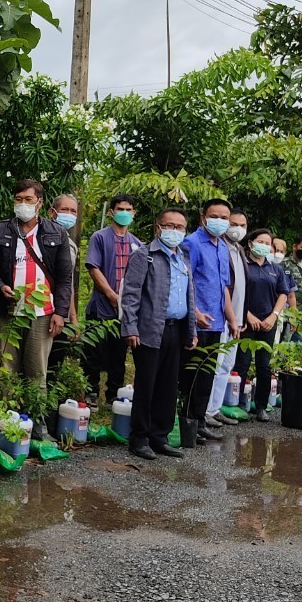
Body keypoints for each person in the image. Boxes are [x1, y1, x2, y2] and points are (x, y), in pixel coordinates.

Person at [120, 208, 198, 461]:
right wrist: (130, 327)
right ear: (158, 228)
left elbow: (189, 296)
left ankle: (160, 437)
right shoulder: (145, 256)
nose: (174, 231)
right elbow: (130, 294)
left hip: (177, 329)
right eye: (169, 225)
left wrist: (192, 329)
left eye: (180, 227)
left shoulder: (183, 259)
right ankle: (139, 438)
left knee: (168, 385)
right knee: (147, 384)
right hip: (150, 330)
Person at [0, 179, 73, 390]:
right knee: (7, 370)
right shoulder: (1, 230)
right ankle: (6, 417)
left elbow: (64, 278)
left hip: (42, 313)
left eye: (28, 199)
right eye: (18, 199)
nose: (23, 204)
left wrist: (61, 312)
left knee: (36, 370)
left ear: (39, 202)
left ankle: (35, 417)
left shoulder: (56, 233)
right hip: (9, 311)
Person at [181, 199, 238, 443]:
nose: (220, 221)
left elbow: (224, 287)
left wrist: (232, 318)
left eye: (224, 217)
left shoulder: (223, 248)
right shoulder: (191, 243)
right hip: (196, 322)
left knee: (207, 375)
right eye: (215, 216)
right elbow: (183, 280)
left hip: (217, 323)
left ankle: (200, 421)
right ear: (203, 217)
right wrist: (194, 313)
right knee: (191, 377)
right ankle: (188, 425)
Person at [83, 194, 144, 402]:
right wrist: (110, 294)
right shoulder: (99, 237)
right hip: (101, 307)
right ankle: (90, 392)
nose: (124, 213)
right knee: (93, 353)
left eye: (128, 210)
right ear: (111, 212)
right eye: (120, 209)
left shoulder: (137, 244)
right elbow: (93, 267)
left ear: (134, 213)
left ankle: (114, 395)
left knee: (118, 355)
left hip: (125, 311)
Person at [233, 229, 290, 420]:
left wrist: (273, 316)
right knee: (242, 363)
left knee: (264, 365)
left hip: (268, 322)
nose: (265, 246)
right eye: (261, 242)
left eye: (268, 243)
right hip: (245, 322)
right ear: (250, 244)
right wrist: (247, 316)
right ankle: (238, 403)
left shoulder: (275, 269)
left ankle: (261, 406)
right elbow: (235, 292)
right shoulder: (243, 265)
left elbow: (283, 293)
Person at [206, 208, 249, 424]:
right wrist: (230, 317)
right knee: (215, 363)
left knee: (226, 365)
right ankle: (204, 411)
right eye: (234, 223)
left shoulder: (239, 249)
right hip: (223, 317)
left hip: (237, 319)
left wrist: (239, 319)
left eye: (242, 225)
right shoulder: (218, 247)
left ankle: (214, 408)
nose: (237, 229)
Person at [47, 194, 81, 375]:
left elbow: (68, 283)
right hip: (42, 308)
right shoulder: (40, 238)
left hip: (62, 311)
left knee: (55, 360)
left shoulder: (71, 245)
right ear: (53, 213)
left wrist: (72, 317)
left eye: (73, 211)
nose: (69, 214)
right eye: (64, 210)